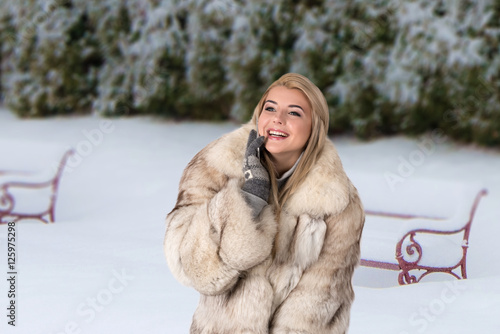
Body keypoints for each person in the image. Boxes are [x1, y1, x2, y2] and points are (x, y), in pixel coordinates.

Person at [164, 73, 365, 333]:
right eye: (270, 108)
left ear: (315, 127)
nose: (278, 119)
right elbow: (194, 269)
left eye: (294, 113)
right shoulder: (215, 167)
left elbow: (318, 302)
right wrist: (250, 199)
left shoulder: (336, 202)